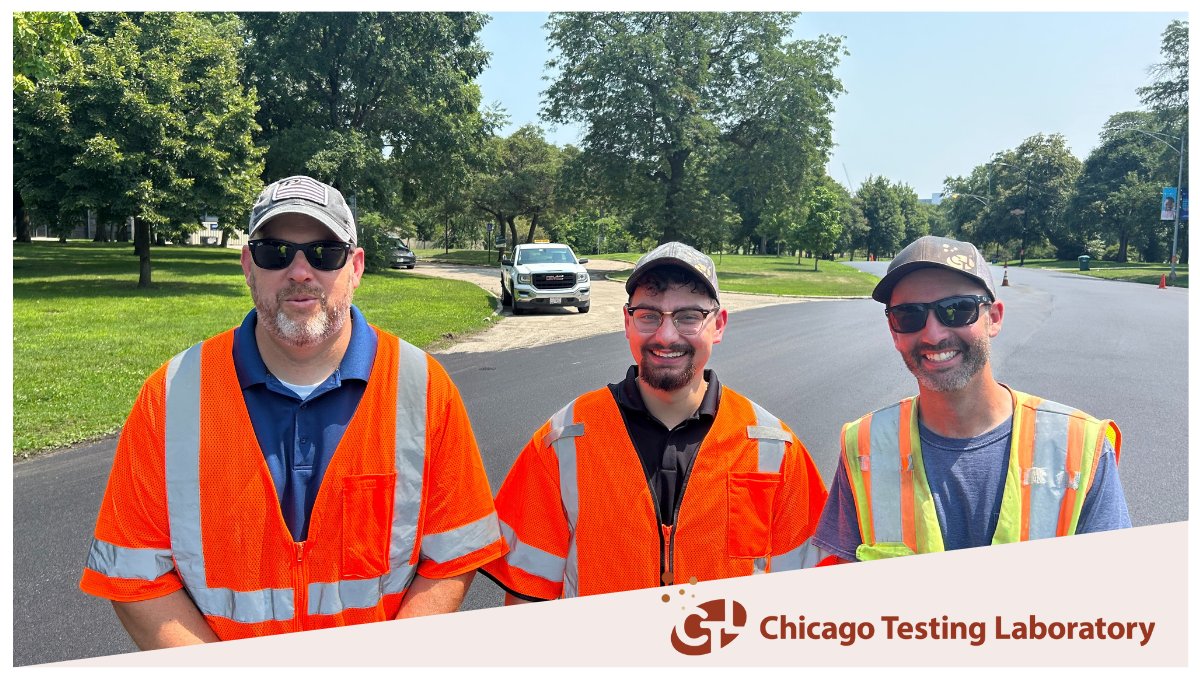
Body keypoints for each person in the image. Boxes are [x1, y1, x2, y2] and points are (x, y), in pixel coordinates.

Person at [80, 175, 504, 646]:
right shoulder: (171, 395)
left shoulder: (425, 388)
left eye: (324, 252)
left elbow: (452, 559)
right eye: (275, 253)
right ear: (247, 264)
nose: (300, 271)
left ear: (356, 266)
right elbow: (134, 576)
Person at [482, 242, 828, 602]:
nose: (666, 336)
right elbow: (525, 599)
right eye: (648, 315)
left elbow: (804, 600)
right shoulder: (562, 441)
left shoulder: (774, 447)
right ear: (627, 322)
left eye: (689, 316)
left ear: (719, 324)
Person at [812, 235, 1130, 564]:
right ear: (894, 332)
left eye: (957, 310)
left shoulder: (1080, 448)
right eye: (909, 316)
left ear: (993, 318)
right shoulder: (863, 446)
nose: (933, 335)